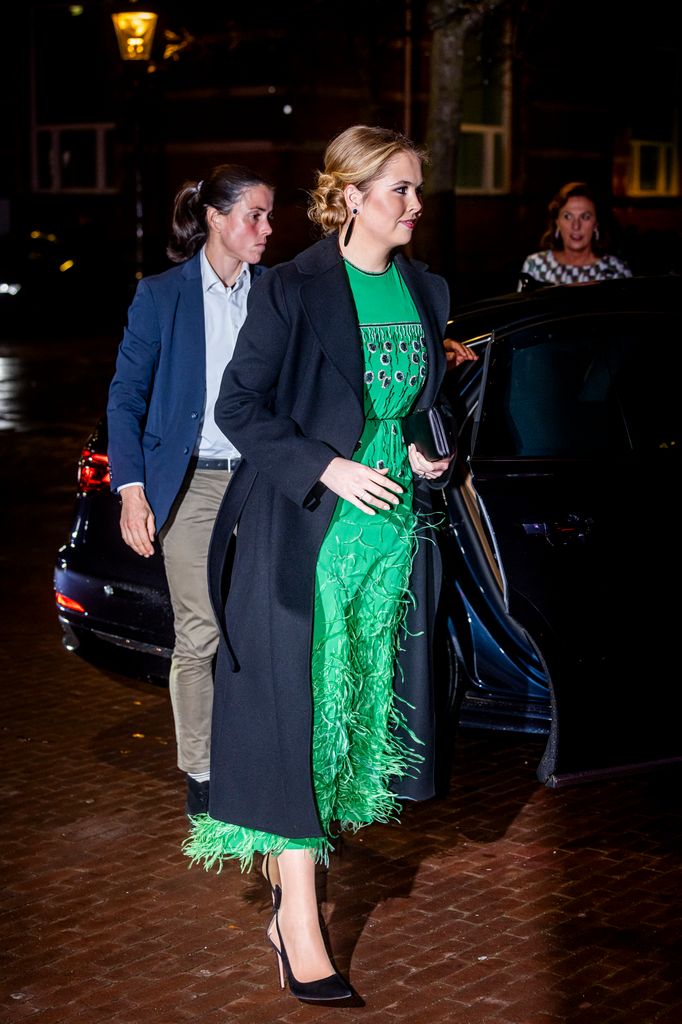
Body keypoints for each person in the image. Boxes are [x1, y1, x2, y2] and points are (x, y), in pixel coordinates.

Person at [184, 125, 455, 1003]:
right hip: (304, 535)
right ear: (351, 195)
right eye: (401, 190)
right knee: (293, 721)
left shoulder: (426, 289)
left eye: (417, 190)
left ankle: (291, 894)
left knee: (345, 728)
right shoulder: (293, 288)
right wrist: (328, 465)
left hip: (387, 544)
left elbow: (409, 404)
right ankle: (299, 920)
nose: (416, 205)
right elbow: (239, 405)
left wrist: (419, 448)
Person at [106, 165, 275, 817]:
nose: (266, 228)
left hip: (263, 482)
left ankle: (263, 753)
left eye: (267, 215)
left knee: (264, 628)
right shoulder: (162, 296)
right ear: (215, 219)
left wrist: (437, 344)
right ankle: (202, 772)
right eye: (253, 215)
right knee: (200, 633)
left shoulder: (276, 294)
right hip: (194, 482)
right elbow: (126, 397)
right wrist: (131, 488)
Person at [519, 181, 632, 289]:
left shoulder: (616, 270)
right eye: (568, 216)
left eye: (585, 217)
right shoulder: (536, 265)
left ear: (596, 224)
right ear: (557, 222)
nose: (576, 226)